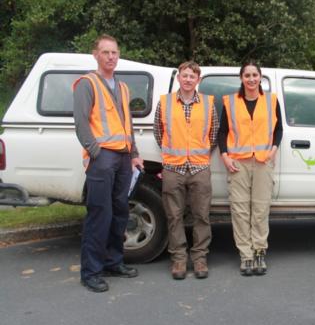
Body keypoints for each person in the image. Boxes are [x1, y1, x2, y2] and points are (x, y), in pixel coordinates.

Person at [73, 34, 144, 292]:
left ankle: (114, 262)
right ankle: (91, 272)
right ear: (95, 54)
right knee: (99, 214)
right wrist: (95, 152)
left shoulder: (123, 87)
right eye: (105, 52)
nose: (111, 57)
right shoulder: (87, 83)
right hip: (102, 158)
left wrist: (134, 152)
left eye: (114, 52)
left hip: (124, 157)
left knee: (120, 212)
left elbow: (128, 125)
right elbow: (81, 124)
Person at [153, 61, 218, 280]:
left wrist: (201, 155)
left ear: (198, 80)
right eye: (185, 75)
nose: (188, 79)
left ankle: (200, 259)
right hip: (173, 167)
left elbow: (214, 134)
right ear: (178, 78)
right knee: (174, 216)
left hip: (200, 167)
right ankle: (179, 260)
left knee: (202, 216)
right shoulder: (165, 103)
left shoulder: (209, 104)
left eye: (192, 76)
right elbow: (158, 132)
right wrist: (172, 154)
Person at [218, 61, 282, 276]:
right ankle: (245, 255)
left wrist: (273, 151)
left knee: (261, 209)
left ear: (260, 77)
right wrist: (225, 157)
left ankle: (259, 252)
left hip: (264, 161)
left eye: (255, 75)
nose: (252, 79)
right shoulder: (230, 102)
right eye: (247, 75)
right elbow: (222, 131)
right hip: (238, 163)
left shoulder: (271, 101)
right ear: (241, 78)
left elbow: (278, 129)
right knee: (240, 210)